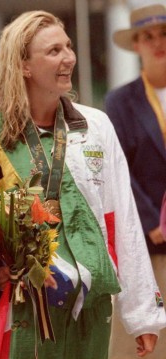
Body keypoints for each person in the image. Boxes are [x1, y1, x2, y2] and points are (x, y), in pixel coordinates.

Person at [0, 10, 166, 359]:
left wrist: (141, 315)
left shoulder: (96, 126)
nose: (69, 58)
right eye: (54, 51)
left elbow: (122, 218)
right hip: (26, 308)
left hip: (92, 304)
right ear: (24, 65)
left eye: (69, 47)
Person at [104, 5, 166, 357]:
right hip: (147, 244)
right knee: (145, 341)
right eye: (148, 36)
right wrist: (152, 221)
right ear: (137, 45)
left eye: (164, 34)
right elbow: (118, 170)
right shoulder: (120, 102)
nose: (157, 42)